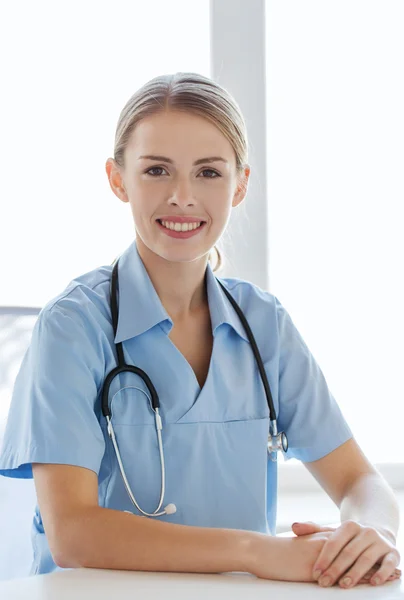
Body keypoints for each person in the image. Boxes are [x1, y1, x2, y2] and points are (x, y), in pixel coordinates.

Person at [0, 72, 401, 588]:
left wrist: (370, 533)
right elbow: (73, 533)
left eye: (209, 172)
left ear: (241, 184)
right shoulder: (74, 326)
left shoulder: (265, 325)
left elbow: (360, 480)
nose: (183, 196)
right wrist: (256, 551)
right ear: (118, 179)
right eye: (157, 170)